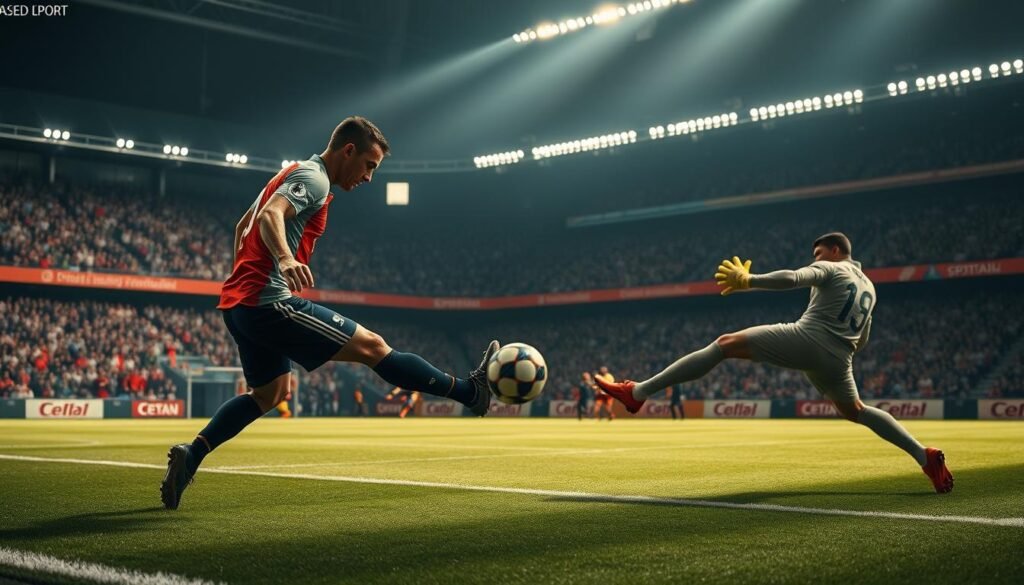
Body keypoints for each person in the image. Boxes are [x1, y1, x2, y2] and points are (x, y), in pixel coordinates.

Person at [161, 117, 498, 510]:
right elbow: (270, 215)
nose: (369, 177)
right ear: (348, 150)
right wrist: (284, 260)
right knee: (374, 347)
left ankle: (192, 456)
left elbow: (242, 226)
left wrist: (246, 276)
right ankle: (470, 393)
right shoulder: (314, 178)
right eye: (369, 165)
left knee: (270, 394)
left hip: (239, 305)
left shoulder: (290, 173)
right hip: (268, 302)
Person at [594, 233, 953, 494]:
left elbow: (794, 278)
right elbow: (864, 340)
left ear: (836, 250)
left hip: (809, 338)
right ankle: (924, 456)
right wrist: (835, 354)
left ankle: (636, 393)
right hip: (840, 357)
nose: (816, 258)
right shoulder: (870, 288)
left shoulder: (833, 268)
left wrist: (749, 280)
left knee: (724, 344)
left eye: (819, 253)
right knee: (856, 410)